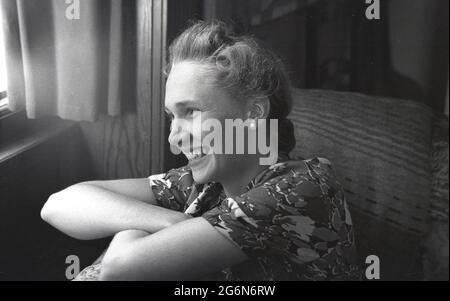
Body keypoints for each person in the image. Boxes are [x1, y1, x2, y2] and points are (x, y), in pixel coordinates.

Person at [40, 20, 361, 281]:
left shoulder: (304, 185)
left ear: (253, 114)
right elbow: (60, 204)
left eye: (191, 111)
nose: (174, 139)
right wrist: (169, 224)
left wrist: (131, 223)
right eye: (171, 117)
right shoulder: (204, 185)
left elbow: (120, 269)